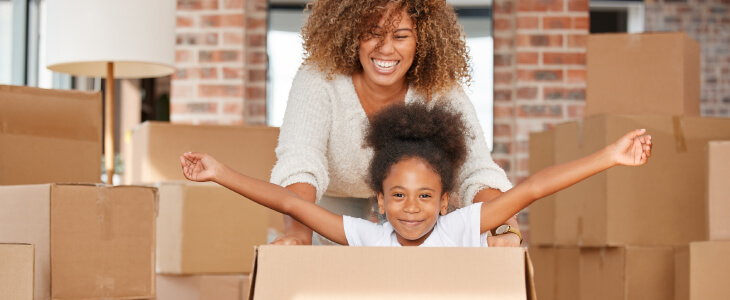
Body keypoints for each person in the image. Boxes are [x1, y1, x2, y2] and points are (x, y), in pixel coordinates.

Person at [180, 102, 653, 247]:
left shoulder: (462, 226)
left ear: (445, 200)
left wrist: (610, 155)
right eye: (399, 196)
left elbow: (532, 188)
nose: (411, 208)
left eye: (425, 196)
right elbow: (290, 203)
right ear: (380, 202)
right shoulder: (369, 237)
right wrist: (219, 172)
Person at [271, 0, 520, 246]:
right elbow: (300, 160)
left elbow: (476, 169)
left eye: (400, 36)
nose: (386, 49)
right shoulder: (319, 77)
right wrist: (298, 235)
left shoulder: (439, 87)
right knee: (327, 267)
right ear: (352, 34)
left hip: (407, 202)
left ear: (421, 40)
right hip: (334, 196)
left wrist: (504, 228)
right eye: (373, 34)